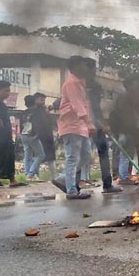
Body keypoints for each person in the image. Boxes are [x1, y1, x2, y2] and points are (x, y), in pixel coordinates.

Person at [57, 56, 94, 199]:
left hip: (80, 126)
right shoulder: (71, 83)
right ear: (76, 67)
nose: (86, 68)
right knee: (72, 158)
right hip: (71, 126)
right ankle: (71, 190)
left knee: (85, 157)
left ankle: (63, 178)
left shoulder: (80, 83)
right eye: (84, 65)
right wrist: (89, 122)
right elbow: (77, 104)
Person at [84, 58, 123, 193]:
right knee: (102, 151)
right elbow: (95, 107)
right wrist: (101, 123)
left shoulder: (78, 83)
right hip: (91, 124)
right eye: (94, 68)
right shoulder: (92, 85)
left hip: (81, 123)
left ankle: (72, 182)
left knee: (81, 153)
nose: (95, 71)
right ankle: (107, 184)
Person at [0, 80, 25, 188]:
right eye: (6, 91)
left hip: (6, 133)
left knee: (9, 155)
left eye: (9, 91)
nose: (8, 93)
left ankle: (12, 179)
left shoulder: (2, 103)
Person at [20, 94, 45, 181]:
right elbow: (38, 124)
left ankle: (29, 174)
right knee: (41, 155)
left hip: (24, 134)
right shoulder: (37, 111)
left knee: (28, 154)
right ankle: (31, 173)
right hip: (32, 135)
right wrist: (37, 134)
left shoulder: (24, 112)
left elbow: (21, 124)